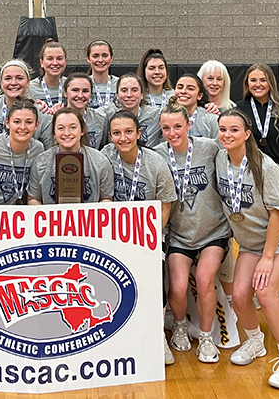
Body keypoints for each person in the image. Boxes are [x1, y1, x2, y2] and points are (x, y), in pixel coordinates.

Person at [216, 108, 279, 390]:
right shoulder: (220, 158)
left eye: (234, 130)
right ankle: (255, 343)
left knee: (266, 292)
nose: (227, 134)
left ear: (246, 134)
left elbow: (278, 215)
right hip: (251, 243)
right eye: (222, 129)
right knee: (240, 296)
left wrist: (267, 259)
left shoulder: (265, 167)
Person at [155, 98, 231, 364]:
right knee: (176, 288)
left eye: (178, 126)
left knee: (204, 279)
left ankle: (207, 337)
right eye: (166, 128)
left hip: (212, 231)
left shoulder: (209, 148)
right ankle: (179, 325)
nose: (172, 133)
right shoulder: (156, 155)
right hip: (179, 234)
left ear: (189, 124)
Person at [101, 110, 177, 366]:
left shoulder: (155, 163)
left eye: (128, 132)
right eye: (116, 133)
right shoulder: (105, 157)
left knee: (155, 284)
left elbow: (166, 203)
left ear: (139, 134)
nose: (123, 138)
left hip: (148, 236)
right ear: (110, 135)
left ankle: (158, 338)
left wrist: (152, 238)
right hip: (112, 237)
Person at [27, 108, 114, 205]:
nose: (67, 133)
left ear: (82, 130)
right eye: (61, 128)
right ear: (54, 133)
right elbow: (34, 199)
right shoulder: (40, 162)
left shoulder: (100, 162)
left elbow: (106, 199)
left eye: (73, 127)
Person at [236, 64, 279, 204]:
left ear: (271, 82)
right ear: (247, 83)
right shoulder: (239, 108)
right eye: (253, 80)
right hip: (251, 171)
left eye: (263, 80)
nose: (258, 84)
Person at [0, 59, 53, 148]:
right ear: (1, 83)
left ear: (28, 82)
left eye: (19, 78)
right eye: (8, 78)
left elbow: (49, 151)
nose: (13, 83)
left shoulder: (43, 113)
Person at [100, 73, 162, 148]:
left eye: (134, 90)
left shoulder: (156, 115)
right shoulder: (106, 115)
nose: (129, 95)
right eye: (124, 90)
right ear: (117, 95)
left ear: (142, 95)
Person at [62, 72, 107, 149]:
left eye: (85, 91)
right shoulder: (55, 118)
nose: (80, 95)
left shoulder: (101, 118)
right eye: (75, 90)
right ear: (65, 92)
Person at [174, 73, 219, 139]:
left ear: (199, 96)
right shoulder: (164, 117)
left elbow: (221, 147)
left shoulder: (212, 120)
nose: (183, 91)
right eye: (180, 87)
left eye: (190, 89)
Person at [27, 39, 67, 108]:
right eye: (50, 59)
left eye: (59, 58)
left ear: (65, 62)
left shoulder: (72, 86)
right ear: (41, 63)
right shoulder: (29, 88)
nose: (55, 63)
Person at [85, 40, 118, 109]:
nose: (100, 60)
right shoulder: (82, 84)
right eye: (95, 56)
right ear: (88, 59)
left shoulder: (120, 84)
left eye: (105, 56)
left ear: (111, 58)